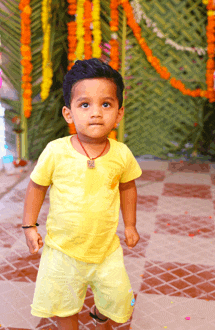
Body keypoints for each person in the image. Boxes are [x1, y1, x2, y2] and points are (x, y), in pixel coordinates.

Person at [22, 58, 142, 330]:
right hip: (63, 250)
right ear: (69, 113)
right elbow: (36, 187)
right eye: (85, 104)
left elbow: (128, 187)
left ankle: (101, 317)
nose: (96, 113)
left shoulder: (121, 154)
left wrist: (131, 225)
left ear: (119, 113)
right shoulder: (56, 151)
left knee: (118, 297)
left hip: (105, 248)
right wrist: (29, 225)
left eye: (106, 104)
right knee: (65, 305)